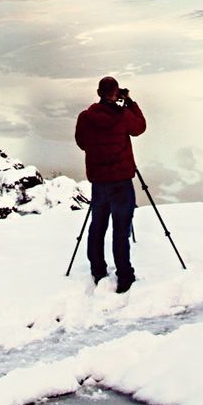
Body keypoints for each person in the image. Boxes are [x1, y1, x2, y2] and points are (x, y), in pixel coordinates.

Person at [74, 76, 146, 292]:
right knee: (120, 229)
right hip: (121, 182)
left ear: (98, 93)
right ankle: (124, 276)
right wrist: (130, 102)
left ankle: (97, 270)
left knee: (97, 226)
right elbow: (140, 127)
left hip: (99, 182)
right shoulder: (123, 115)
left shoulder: (86, 118)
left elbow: (81, 143)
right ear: (116, 95)